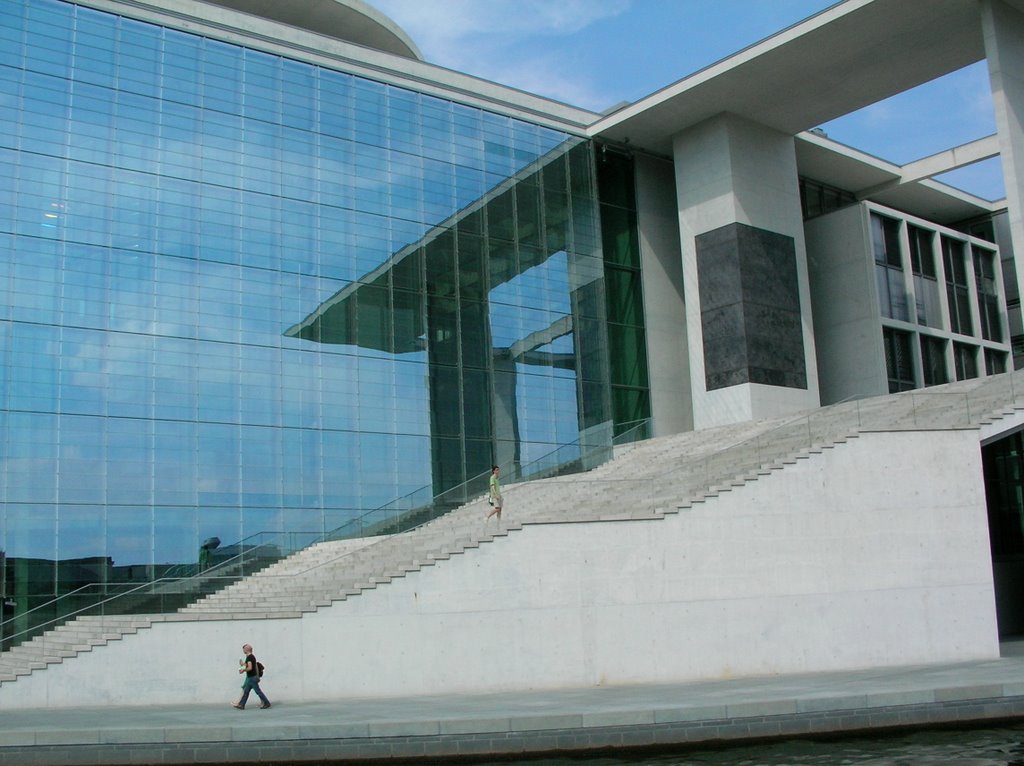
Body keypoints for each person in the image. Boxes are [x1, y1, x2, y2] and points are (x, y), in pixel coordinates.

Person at [233, 643, 271, 709]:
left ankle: (266, 703)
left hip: (252, 678)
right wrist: (242, 664)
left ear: (246, 649)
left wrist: (243, 670)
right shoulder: (250, 657)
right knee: (246, 691)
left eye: (243, 649)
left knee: (257, 691)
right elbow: (248, 665)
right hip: (252, 677)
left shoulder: (250, 657)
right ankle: (241, 705)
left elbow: (250, 668)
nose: (243, 651)